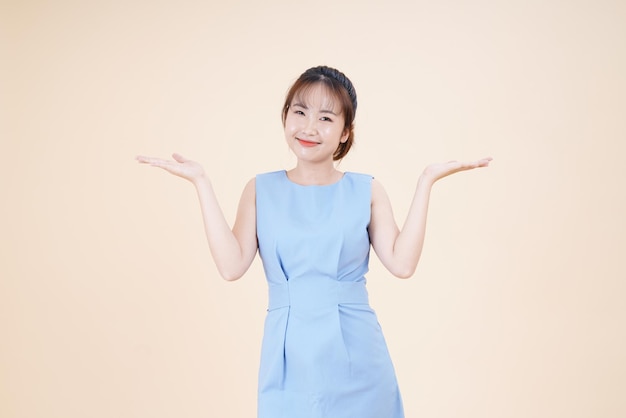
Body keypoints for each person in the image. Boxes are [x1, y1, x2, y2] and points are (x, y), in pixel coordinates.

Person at [137, 65, 491, 418]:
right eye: (300, 112)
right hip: (288, 356)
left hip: (359, 354)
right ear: (285, 117)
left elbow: (403, 264)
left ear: (344, 133)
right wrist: (202, 183)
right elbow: (231, 266)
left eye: (325, 118)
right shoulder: (260, 189)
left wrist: (426, 180)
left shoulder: (366, 190)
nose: (308, 127)